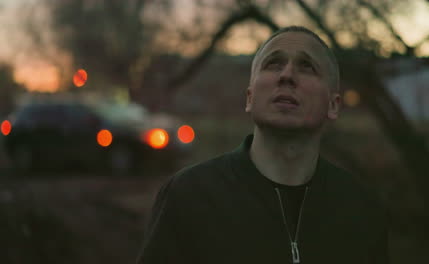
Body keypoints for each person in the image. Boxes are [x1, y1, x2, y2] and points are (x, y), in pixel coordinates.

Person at [136, 26, 389, 264]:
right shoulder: (189, 195)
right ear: (250, 97)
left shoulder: (360, 209)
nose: (287, 75)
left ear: (333, 105)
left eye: (307, 67)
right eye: (273, 64)